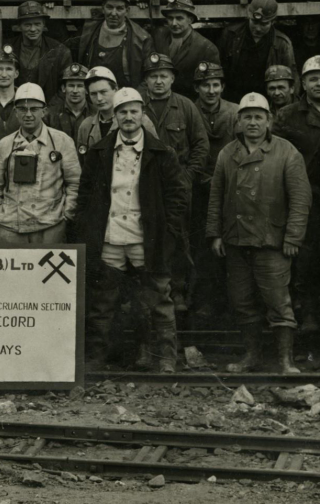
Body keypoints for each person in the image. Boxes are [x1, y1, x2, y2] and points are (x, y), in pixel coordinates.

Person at [76, 87, 187, 373]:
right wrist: (90, 229)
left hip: (145, 239)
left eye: (133, 111)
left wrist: (168, 233)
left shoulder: (162, 153)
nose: (128, 117)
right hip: (110, 237)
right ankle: (96, 359)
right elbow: (86, 195)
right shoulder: (99, 152)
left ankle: (164, 359)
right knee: (103, 301)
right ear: (114, 116)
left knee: (158, 298)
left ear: (142, 114)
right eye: (122, 112)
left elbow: (177, 197)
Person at [208, 92, 310, 375]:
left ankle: (285, 361)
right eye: (247, 117)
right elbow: (216, 197)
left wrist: (292, 238)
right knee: (242, 301)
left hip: (272, 242)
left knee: (278, 301)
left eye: (258, 117)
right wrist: (215, 234)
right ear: (238, 121)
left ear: (269, 121)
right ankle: (251, 356)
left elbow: (301, 199)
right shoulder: (227, 153)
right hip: (236, 240)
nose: (252, 122)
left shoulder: (286, 151)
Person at [141, 52, 209, 311]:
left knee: (179, 240)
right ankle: (152, 292)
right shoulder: (138, 106)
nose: (158, 81)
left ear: (172, 79)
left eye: (163, 76)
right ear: (146, 81)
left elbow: (201, 146)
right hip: (145, 186)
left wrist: (188, 177)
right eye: (153, 76)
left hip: (177, 188)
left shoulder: (185, 106)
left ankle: (178, 291)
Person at [0, 83, 81, 244]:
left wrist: (66, 215)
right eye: (22, 109)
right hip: (11, 227)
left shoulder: (62, 141)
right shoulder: (4, 145)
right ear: (15, 112)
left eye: (34, 109)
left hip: (50, 226)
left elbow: (74, 183)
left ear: (44, 111)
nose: (28, 114)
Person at [273, 56, 320, 335]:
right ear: (302, 83)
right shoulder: (288, 115)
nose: (319, 83)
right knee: (306, 258)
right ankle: (309, 313)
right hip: (304, 199)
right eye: (313, 78)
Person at [190, 62, 239, 320]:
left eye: (215, 85)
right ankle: (204, 302)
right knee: (201, 245)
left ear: (222, 86)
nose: (211, 90)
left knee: (232, 244)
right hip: (198, 189)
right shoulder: (187, 110)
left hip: (231, 189)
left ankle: (233, 303)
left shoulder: (236, 112)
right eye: (205, 85)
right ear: (197, 88)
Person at [219, 0, 298, 102]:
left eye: (264, 24)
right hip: (233, 99)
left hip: (268, 101)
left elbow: (292, 79)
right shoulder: (230, 35)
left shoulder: (282, 44)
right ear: (249, 16)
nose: (258, 28)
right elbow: (220, 69)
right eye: (254, 22)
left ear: (273, 22)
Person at [77, 0, 153, 89]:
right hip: (94, 96)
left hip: (126, 97)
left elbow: (149, 76)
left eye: (119, 8)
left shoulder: (141, 38)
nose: (113, 13)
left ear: (127, 11)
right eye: (109, 7)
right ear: (103, 9)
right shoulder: (88, 31)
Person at [77, 67, 156, 157]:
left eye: (103, 92)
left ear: (115, 89)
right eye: (93, 94)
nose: (99, 98)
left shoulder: (139, 120)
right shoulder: (86, 126)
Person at [153, 0, 219, 100]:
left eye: (179, 18)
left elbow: (209, 86)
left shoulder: (206, 48)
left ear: (190, 19)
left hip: (189, 104)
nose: (174, 23)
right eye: (170, 18)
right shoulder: (158, 36)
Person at [8, 1, 72, 100]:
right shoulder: (8, 49)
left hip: (48, 108)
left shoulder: (60, 51)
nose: (33, 29)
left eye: (37, 24)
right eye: (27, 25)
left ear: (44, 25)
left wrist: (50, 111)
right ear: (20, 26)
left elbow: (65, 88)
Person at [48, 63, 91, 139]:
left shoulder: (96, 113)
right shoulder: (50, 115)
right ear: (63, 88)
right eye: (71, 86)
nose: (75, 91)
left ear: (87, 89)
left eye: (80, 86)